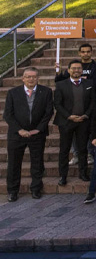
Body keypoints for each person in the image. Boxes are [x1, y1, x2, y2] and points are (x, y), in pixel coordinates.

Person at [5, 67, 54, 201]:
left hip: (37, 134)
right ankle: (13, 191)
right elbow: (8, 115)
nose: (31, 79)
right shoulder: (13, 93)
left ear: (38, 78)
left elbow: (48, 112)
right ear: (23, 78)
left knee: (37, 163)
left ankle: (36, 189)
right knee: (14, 164)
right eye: (28, 77)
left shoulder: (46, 92)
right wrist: (19, 130)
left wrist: (38, 129)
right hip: (16, 135)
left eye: (34, 77)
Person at [53, 61, 94, 187]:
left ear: (82, 70)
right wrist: (69, 116)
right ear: (69, 70)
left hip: (83, 121)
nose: (76, 70)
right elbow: (57, 104)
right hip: (66, 121)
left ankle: (83, 173)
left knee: (83, 149)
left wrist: (86, 115)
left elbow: (93, 101)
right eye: (74, 68)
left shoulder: (89, 83)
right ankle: (63, 176)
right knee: (64, 150)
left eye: (79, 68)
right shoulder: (60, 85)